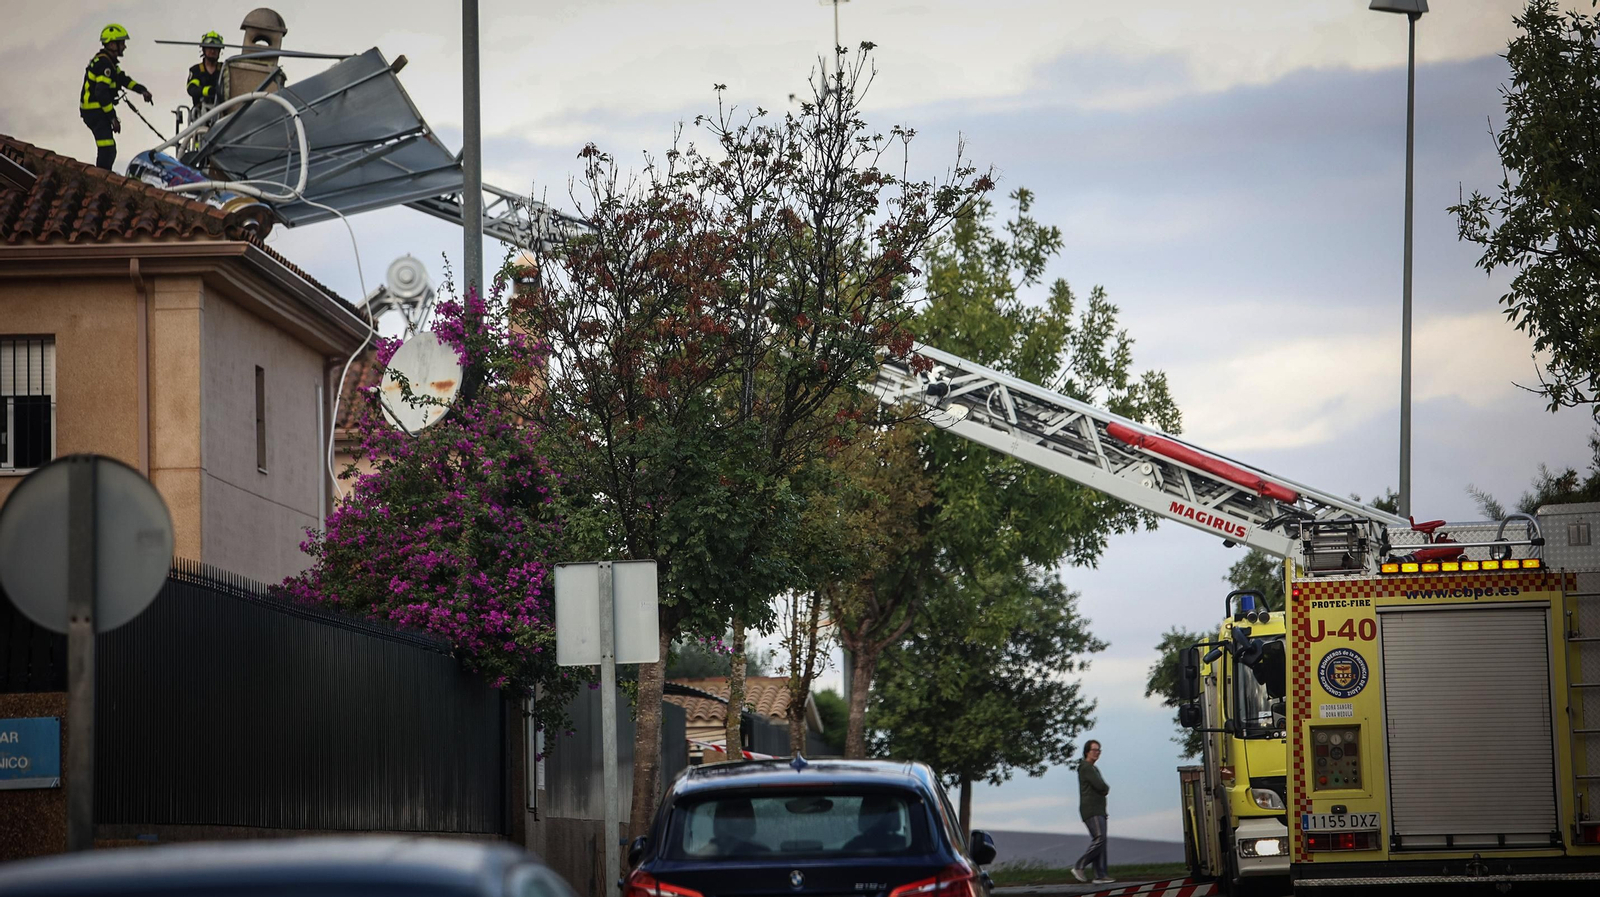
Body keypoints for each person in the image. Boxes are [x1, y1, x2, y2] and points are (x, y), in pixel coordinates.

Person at [80, 24, 153, 171]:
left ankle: (102, 175)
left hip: (96, 111)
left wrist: (142, 90)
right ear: (112, 44)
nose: (124, 47)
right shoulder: (105, 64)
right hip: (95, 111)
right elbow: (101, 93)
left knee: (108, 149)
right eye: (122, 43)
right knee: (107, 149)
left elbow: (123, 80)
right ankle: (101, 178)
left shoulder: (109, 62)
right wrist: (112, 117)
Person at [1072, 739, 1112, 884]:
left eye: (1098, 750)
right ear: (1087, 751)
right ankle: (1080, 866)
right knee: (1099, 838)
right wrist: (1105, 789)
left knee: (1102, 841)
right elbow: (1101, 786)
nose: (1097, 753)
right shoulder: (1086, 767)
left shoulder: (1093, 768)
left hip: (1099, 809)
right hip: (1091, 809)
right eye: (1094, 750)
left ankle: (1100, 874)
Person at [186, 32, 226, 114]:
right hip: (201, 115)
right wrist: (207, 91)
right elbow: (191, 88)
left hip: (222, 113)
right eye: (210, 48)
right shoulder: (196, 70)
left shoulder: (225, 69)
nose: (212, 51)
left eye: (216, 49)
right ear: (203, 49)